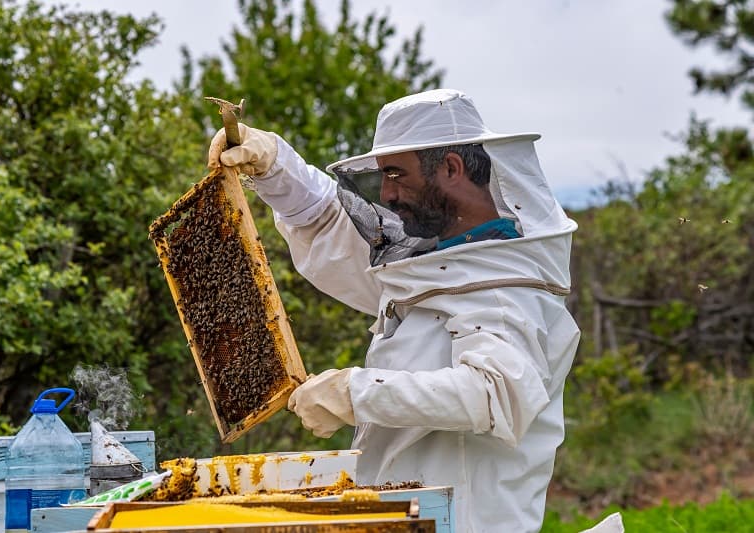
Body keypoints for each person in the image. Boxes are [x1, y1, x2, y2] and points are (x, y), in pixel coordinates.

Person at [208, 89, 580, 532]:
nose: (386, 193)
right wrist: (273, 166)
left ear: (451, 168)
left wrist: (355, 393)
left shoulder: (507, 286)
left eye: (396, 174)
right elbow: (332, 222)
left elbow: (493, 393)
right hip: (410, 514)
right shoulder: (435, 261)